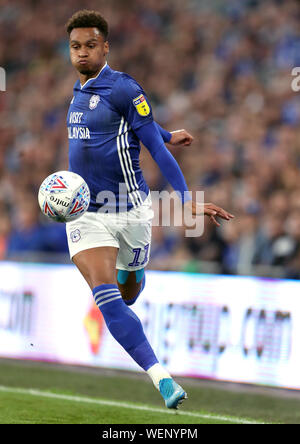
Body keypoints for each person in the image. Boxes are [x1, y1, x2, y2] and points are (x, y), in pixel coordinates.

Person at [65, 9, 234, 409]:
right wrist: (167, 131)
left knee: (128, 293)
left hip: (133, 211)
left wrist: (185, 198)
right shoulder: (78, 91)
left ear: (105, 46)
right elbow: (130, 126)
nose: (83, 54)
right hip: (87, 212)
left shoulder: (124, 88)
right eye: (75, 47)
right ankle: (163, 381)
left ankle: (127, 282)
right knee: (108, 298)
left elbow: (151, 145)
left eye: (90, 45)